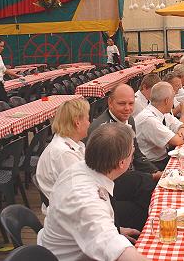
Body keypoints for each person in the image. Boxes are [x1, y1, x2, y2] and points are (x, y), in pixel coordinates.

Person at [38, 123, 149, 261]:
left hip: (68, 243)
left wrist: (116, 230)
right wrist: (114, 237)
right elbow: (118, 251)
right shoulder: (86, 197)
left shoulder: (79, 168)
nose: (133, 152)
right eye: (132, 150)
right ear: (122, 163)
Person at [87, 84, 158, 230]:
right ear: (110, 103)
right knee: (146, 190)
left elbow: (137, 154)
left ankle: (153, 222)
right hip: (106, 183)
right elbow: (101, 173)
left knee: (151, 188)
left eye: (131, 103)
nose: (127, 108)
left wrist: (155, 172)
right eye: (122, 103)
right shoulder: (101, 129)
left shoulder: (129, 120)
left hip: (126, 174)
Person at [135, 82, 184, 170]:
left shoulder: (161, 112)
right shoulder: (149, 119)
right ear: (166, 101)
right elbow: (177, 141)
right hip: (151, 165)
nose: (174, 101)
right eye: (173, 98)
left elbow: (180, 125)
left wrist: (183, 130)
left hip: (162, 158)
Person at [36, 98, 90, 201]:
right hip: (68, 211)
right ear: (77, 122)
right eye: (87, 119)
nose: (89, 123)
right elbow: (79, 192)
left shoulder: (72, 143)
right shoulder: (64, 153)